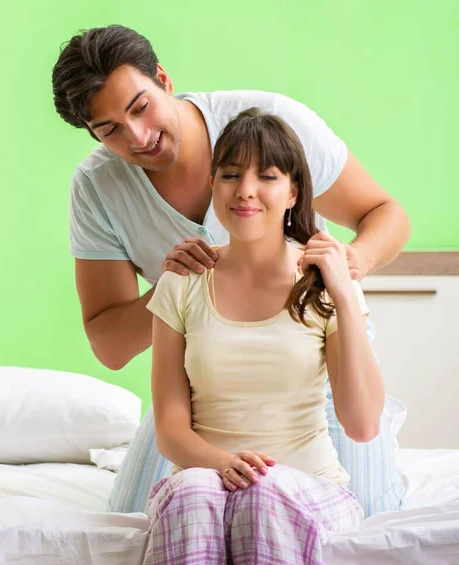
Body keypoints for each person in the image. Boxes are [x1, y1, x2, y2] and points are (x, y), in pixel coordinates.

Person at [51, 24, 410, 372]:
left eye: (141, 107)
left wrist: (353, 262)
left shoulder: (274, 122)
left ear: (163, 80)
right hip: (208, 386)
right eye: (110, 130)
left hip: (317, 368)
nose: (139, 137)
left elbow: (385, 213)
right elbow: (109, 346)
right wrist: (178, 285)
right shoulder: (97, 187)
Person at [143, 108, 383, 565]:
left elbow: (363, 423)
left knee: (265, 492)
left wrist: (345, 295)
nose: (246, 191)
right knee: (194, 490)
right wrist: (221, 464)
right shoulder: (183, 280)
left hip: (307, 487)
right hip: (203, 483)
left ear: (293, 192)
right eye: (230, 174)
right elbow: (170, 431)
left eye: (267, 176)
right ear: (212, 184)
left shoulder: (325, 284)